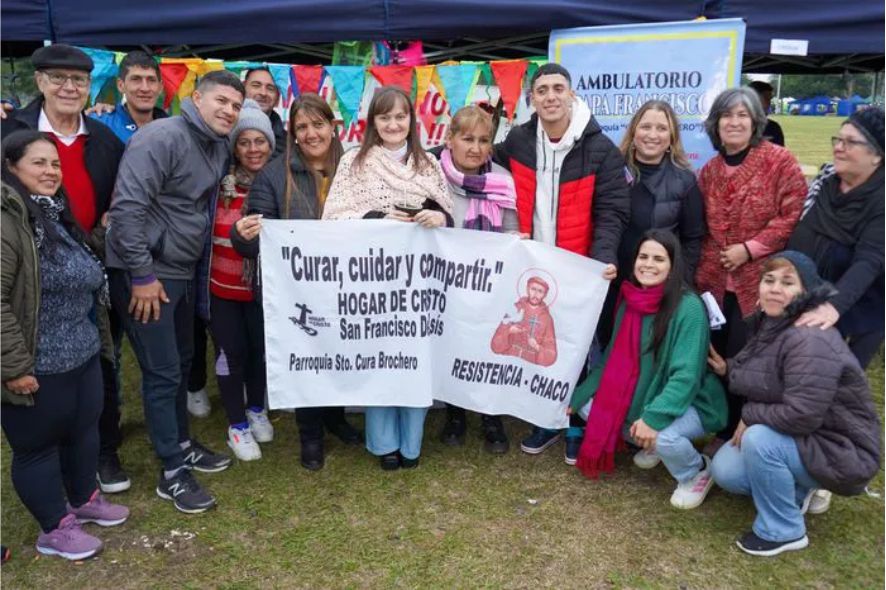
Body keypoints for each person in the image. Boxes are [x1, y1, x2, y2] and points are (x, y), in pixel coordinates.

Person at [106, 70, 245, 514]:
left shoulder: (217, 144)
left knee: (183, 363)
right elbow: (127, 210)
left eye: (236, 106)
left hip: (183, 270)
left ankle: (182, 444)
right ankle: (171, 471)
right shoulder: (160, 137)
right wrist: (142, 275)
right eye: (221, 101)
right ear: (196, 98)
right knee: (162, 371)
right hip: (148, 272)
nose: (229, 111)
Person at [0, 44, 132, 495]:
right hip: (28, 274)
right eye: (58, 78)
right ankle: (48, 459)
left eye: (78, 80)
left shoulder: (105, 139)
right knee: (41, 370)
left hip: (89, 263)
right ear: (39, 81)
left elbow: (117, 199)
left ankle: (102, 451)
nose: (69, 87)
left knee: (101, 362)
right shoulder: (11, 132)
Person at [2, 130, 129, 560]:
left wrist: (101, 234)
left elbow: (77, 268)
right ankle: (54, 528)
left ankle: (82, 499)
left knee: (83, 433)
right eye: (38, 162)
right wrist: (14, 366)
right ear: (11, 167)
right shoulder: (7, 221)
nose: (50, 171)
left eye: (55, 163)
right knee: (36, 448)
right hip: (36, 362)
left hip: (82, 352)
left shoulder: (54, 213)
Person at [493, 62, 630, 461]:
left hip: (578, 266)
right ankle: (547, 417)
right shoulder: (518, 141)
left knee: (578, 345)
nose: (550, 96)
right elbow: (478, 157)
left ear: (571, 94)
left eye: (558, 88)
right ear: (532, 99)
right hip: (533, 266)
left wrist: (602, 258)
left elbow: (612, 211)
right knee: (539, 343)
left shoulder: (601, 150)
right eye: (542, 90)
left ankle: (576, 423)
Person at [709, 251, 881, 557]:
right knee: (726, 471)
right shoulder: (773, 323)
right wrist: (727, 368)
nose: (775, 288)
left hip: (840, 450)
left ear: (806, 291)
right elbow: (763, 374)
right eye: (769, 280)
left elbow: (802, 414)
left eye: (788, 282)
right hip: (808, 439)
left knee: (759, 440)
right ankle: (798, 490)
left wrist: (751, 414)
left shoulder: (809, 338)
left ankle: (783, 530)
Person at [323, 86, 454, 470]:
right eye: (385, 117)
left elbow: (449, 216)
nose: (393, 124)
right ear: (373, 122)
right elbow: (333, 217)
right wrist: (377, 219)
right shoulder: (355, 162)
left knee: (414, 356)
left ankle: (411, 444)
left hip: (418, 279)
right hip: (373, 278)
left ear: (411, 120)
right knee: (380, 356)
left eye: (400, 116)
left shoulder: (429, 164)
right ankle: (384, 444)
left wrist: (439, 217)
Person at [231, 93, 361, 471]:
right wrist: (243, 235)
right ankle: (310, 435)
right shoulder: (274, 175)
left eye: (318, 124)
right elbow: (252, 241)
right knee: (308, 360)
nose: (311, 133)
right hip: (296, 293)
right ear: (293, 133)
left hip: (345, 286)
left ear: (333, 127)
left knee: (340, 355)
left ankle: (335, 417)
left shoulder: (355, 169)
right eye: (302, 127)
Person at [569, 230, 727, 508]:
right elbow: (609, 360)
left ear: (673, 266)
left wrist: (654, 418)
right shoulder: (630, 300)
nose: (648, 265)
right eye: (643, 257)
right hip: (645, 392)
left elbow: (686, 377)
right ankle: (651, 442)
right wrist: (578, 396)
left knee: (664, 436)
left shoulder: (688, 307)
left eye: (658, 259)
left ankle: (696, 471)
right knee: (588, 408)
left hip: (694, 402)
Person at [694, 87, 807, 455]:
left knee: (751, 360)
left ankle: (750, 431)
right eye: (727, 115)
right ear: (716, 124)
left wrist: (749, 248)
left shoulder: (779, 161)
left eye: (743, 115)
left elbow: (792, 213)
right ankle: (724, 428)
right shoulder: (709, 171)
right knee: (718, 357)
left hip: (758, 283)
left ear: (756, 120)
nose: (734, 122)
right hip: (714, 285)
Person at [432, 104, 517, 453]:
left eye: (483, 140)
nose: (475, 148)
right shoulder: (431, 175)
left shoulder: (502, 178)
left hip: (489, 282)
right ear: (449, 139)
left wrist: (514, 243)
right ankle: (455, 415)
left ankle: (490, 417)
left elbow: (511, 229)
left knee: (488, 347)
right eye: (467, 139)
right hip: (445, 282)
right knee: (453, 346)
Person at [598, 100, 706, 345]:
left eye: (661, 128)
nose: (653, 135)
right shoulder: (610, 171)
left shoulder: (685, 181)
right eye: (646, 127)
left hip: (657, 290)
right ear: (634, 131)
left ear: (672, 137)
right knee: (609, 350)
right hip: (613, 285)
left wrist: (679, 283)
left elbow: (692, 239)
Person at [205, 99, 275, 461]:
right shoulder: (220, 186)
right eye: (244, 142)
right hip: (223, 290)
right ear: (234, 148)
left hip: (263, 291)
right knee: (229, 355)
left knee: (260, 352)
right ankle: (237, 424)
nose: (252, 149)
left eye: (259, 141)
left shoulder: (277, 183)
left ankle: (257, 408)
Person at [787, 107, 884, 368]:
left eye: (850, 142)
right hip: (808, 300)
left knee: (834, 379)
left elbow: (870, 260)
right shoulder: (826, 180)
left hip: (856, 310)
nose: (839, 147)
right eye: (838, 139)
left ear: (877, 155)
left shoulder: (881, 199)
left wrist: (834, 307)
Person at [90, 50, 167, 143]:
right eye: (136, 79)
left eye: (151, 80)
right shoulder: (98, 124)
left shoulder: (173, 128)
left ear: (160, 87)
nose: (145, 88)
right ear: (120, 85)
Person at [491, 276, 558, 366]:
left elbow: (551, 354)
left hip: (529, 365)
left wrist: (537, 346)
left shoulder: (547, 319)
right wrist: (508, 331)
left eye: (540, 291)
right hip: (508, 361)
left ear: (545, 295)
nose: (535, 294)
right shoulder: (514, 309)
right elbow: (495, 344)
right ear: (527, 289)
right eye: (533, 289)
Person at [243, 67, 286, 158]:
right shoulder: (224, 129)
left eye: (270, 88)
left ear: (277, 96)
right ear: (243, 88)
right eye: (256, 85)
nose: (263, 93)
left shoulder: (288, 141)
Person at [748, 81, 785, 146]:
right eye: (766, 99)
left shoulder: (773, 128)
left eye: (769, 100)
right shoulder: (734, 126)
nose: (768, 104)